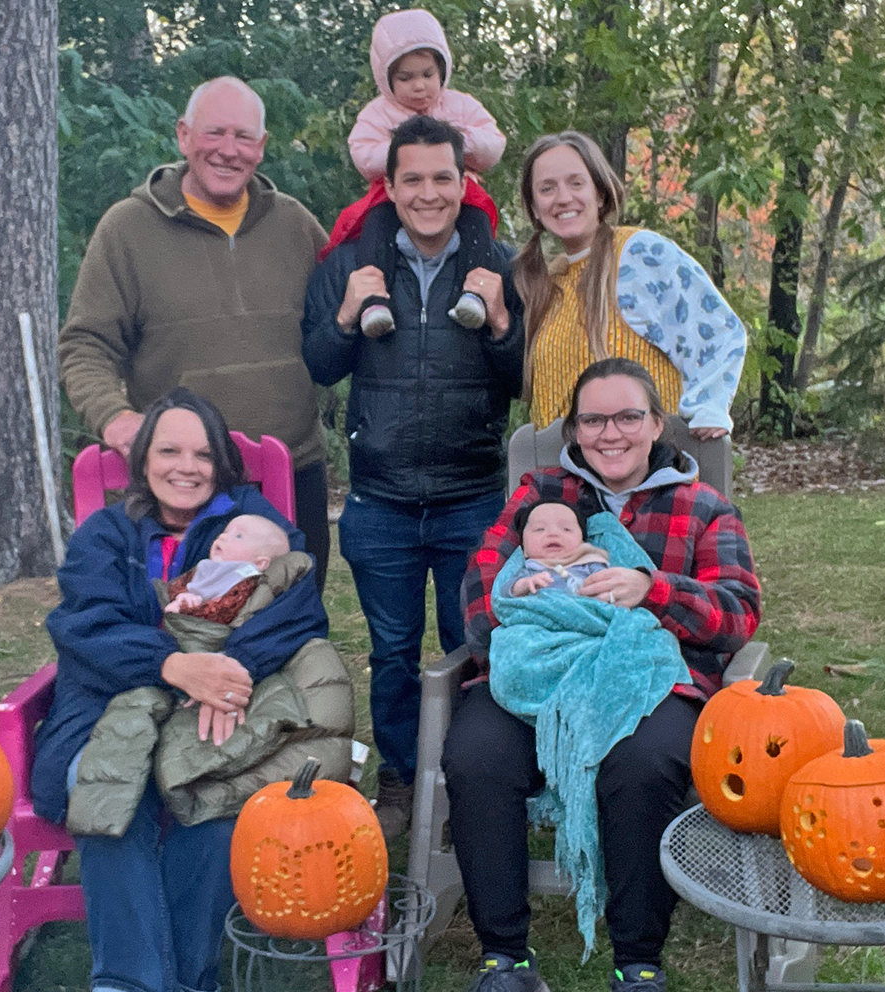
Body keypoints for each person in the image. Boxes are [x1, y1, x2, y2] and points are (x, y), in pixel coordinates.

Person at [449, 360, 761, 992]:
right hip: (535, 673)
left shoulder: (703, 508)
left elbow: (738, 613)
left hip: (648, 683)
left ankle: (638, 964)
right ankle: (505, 960)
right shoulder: (541, 494)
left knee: (642, 766)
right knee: (477, 755)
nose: (609, 433)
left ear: (655, 425)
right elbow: (484, 574)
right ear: (574, 428)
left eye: (627, 416)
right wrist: (523, 623)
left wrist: (654, 589)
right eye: (593, 419)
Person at [31, 388, 339, 992]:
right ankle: (131, 987)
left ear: (222, 462)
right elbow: (83, 626)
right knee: (109, 785)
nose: (186, 467)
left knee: (217, 797)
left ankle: (181, 983)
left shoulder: (255, 526)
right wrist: (173, 665)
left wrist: (223, 673)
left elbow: (297, 606)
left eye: (202, 453)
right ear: (143, 459)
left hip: (225, 706)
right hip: (106, 705)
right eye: (169, 450)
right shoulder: (106, 534)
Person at [302, 114, 524, 839]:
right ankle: (399, 780)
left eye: (442, 179)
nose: (429, 193)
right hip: (382, 501)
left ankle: (470, 782)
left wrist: (498, 325)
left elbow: (523, 376)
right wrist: (342, 316)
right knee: (393, 653)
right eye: (413, 180)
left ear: (464, 185)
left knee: (474, 646)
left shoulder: (499, 267)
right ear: (389, 188)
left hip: (472, 496)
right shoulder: (349, 265)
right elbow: (320, 365)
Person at [58, 76, 333, 589]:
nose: (229, 151)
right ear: (184, 136)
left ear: (262, 147)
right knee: (189, 633)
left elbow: (342, 323)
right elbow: (85, 344)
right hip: (182, 487)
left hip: (291, 472)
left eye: (244, 137)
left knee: (291, 634)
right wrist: (114, 418)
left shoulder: (294, 225)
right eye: (214, 133)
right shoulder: (127, 230)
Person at [515, 131, 747, 440]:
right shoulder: (548, 281)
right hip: (563, 479)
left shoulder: (639, 254)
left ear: (600, 193)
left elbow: (718, 331)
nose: (563, 198)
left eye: (576, 183)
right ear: (533, 207)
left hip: (647, 476)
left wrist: (708, 407)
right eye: (547, 188)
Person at [326, 7, 507, 336]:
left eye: (427, 74)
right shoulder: (379, 112)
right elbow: (363, 154)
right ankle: (374, 301)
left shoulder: (459, 105)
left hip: (460, 193)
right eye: (405, 78)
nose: (419, 86)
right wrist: (405, 150)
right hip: (390, 195)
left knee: (479, 222)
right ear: (386, 79)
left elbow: (494, 144)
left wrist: (450, 143)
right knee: (375, 227)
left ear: (442, 70)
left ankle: (475, 293)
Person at [162, 514, 291, 616]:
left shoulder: (248, 577)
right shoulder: (206, 566)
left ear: (260, 563)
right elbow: (185, 585)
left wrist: (195, 607)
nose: (222, 537)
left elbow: (233, 607)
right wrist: (182, 595)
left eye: (238, 536)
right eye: (226, 531)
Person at [506, 500, 610, 596]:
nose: (553, 533)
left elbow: (609, 583)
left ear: (582, 541)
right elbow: (505, 591)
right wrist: (525, 584)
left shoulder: (590, 563)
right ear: (524, 547)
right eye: (540, 529)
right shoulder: (529, 568)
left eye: (566, 529)